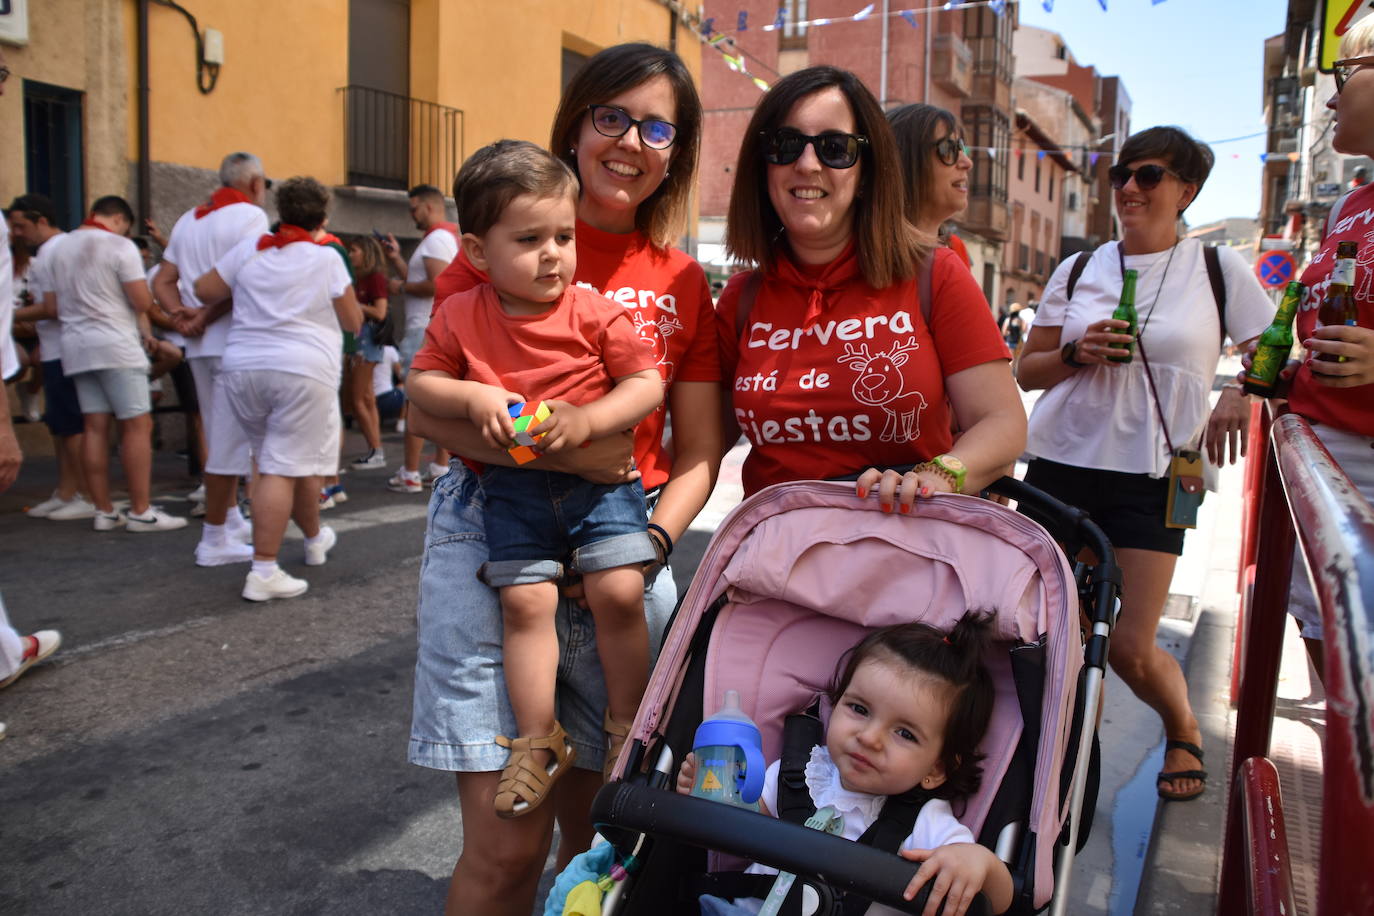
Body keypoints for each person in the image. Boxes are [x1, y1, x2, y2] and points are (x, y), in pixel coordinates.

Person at [407, 42, 722, 916]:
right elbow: (426, 414)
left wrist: (651, 543)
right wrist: (578, 449)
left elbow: (699, 450)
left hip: (626, 544)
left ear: (677, 150)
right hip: (495, 531)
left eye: (657, 126)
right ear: (577, 122)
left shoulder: (683, 279)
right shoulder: (499, 234)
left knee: (599, 842)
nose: (630, 141)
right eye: (610, 115)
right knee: (508, 850)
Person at [1014, 126, 1275, 802]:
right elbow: (1027, 368)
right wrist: (1078, 353)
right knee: (1049, 638)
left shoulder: (1219, 271)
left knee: (1128, 647)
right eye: (1122, 174)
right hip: (1060, 466)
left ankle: (1182, 723)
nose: (1130, 187)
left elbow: (1274, 348)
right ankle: (1061, 778)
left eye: (1150, 175)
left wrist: (1238, 392)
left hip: (1157, 476)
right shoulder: (1079, 270)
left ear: (1186, 190)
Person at [409, 140, 664, 817]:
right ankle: (534, 738)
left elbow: (646, 382)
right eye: (530, 239)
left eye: (563, 235)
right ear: (478, 251)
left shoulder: (594, 312)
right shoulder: (462, 314)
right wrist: (474, 398)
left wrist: (587, 419)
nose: (553, 253)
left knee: (617, 589)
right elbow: (421, 383)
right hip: (511, 490)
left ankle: (627, 726)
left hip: (604, 490)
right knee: (525, 606)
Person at [717, 66, 1025, 510]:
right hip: (776, 560)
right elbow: (701, 445)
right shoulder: (741, 297)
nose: (807, 164)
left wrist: (938, 476)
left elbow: (1003, 421)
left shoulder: (936, 273)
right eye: (784, 145)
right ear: (761, 167)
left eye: (834, 149)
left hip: (904, 552)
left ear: (867, 171)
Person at [676, 613, 1013, 916]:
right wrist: (710, 799)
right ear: (835, 705)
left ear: (936, 769)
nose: (869, 738)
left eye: (904, 733)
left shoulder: (925, 826)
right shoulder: (798, 775)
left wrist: (979, 863)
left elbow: (998, 900)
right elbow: (734, 830)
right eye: (860, 710)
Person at [1264, 21, 1374, 679]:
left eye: (1343, 74)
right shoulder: (1350, 204)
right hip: (1323, 464)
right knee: (1338, 667)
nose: (1330, 99)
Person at [192, 177, 362, 601]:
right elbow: (353, 321)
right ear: (322, 219)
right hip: (301, 369)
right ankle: (264, 568)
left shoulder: (253, 248)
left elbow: (204, 289)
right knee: (280, 468)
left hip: (243, 366)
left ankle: (314, 539)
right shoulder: (325, 259)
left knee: (287, 463)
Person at [154, 152, 271, 565]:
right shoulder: (251, 218)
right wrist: (202, 315)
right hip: (234, 340)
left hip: (199, 345)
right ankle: (216, 536)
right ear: (255, 184)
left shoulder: (188, 219)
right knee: (239, 441)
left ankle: (230, 519)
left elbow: (164, 281)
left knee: (218, 433)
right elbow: (244, 279)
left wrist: (179, 317)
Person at [45, 195, 187, 532]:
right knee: (137, 425)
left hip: (76, 346)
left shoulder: (58, 248)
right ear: (121, 220)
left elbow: (51, 305)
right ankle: (141, 511)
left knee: (94, 427)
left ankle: (104, 510)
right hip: (116, 345)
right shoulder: (120, 247)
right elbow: (140, 300)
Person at [8, 193, 93, 520]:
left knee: (71, 426)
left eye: (21, 226)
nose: (16, 233)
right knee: (59, 425)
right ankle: (67, 490)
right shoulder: (53, 251)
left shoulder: (57, 251)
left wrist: (10, 316)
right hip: (57, 347)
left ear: (41, 220)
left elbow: (53, 307)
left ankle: (83, 494)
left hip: (65, 347)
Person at [382, 185, 456, 493]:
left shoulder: (437, 239)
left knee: (416, 400)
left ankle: (410, 472)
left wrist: (399, 287)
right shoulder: (442, 238)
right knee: (437, 401)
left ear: (429, 206)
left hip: (422, 328)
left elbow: (437, 285)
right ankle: (439, 466)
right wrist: (399, 260)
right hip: (430, 326)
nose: (411, 214)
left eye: (414, 208)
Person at [887, 103, 975, 269]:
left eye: (961, 148)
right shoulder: (856, 254)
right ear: (906, 162)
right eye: (948, 149)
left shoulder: (956, 249)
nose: (967, 162)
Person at [346, 235, 391, 469]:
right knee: (367, 398)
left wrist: (354, 304)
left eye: (354, 249)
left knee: (359, 398)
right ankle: (376, 450)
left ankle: (375, 450)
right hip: (365, 342)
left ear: (366, 253)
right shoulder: (362, 278)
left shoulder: (373, 278)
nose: (350, 254)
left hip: (367, 343)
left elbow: (380, 312)